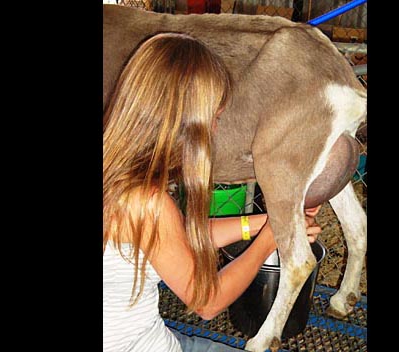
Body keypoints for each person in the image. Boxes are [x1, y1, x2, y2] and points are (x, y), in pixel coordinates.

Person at [103, 32, 322, 352]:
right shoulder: (145, 202)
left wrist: (264, 222)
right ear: (185, 121)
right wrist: (270, 240)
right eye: (214, 119)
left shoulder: (116, 171)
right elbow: (206, 303)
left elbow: (168, 240)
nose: (215, 131)